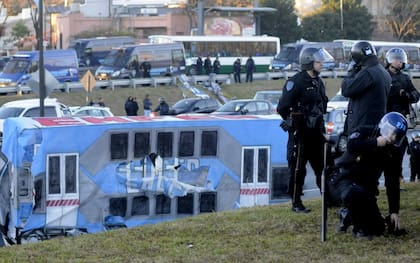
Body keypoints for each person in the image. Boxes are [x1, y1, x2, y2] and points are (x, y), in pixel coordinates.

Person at [328, 112, 408, 238]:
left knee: (378, 228)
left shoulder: (392, 151)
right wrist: (374, 143)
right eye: (392, 133)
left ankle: (348, 215)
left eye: (397, 136)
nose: (393, 138)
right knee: (355, 193)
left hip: (365, 190)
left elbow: (392, 182)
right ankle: (358, 228)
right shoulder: (365, 131)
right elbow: (351, 146)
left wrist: (394, 211)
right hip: (344, 180)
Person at [277, 47, 331, 213]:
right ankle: (296, 202)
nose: (321, 64)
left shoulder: (318, 82)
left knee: (323, 166)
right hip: (300, 134)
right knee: (297, 168)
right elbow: (282, 107)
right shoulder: (296, 82)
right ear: (309, 63)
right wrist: (293, 122)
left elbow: (322, 104)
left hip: (316, 132)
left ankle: (329, 198)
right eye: (318, 61)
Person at [384, 48, 420, 183]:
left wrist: (406, 95)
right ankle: (390, 177)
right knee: (386, 149)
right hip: (386, 119)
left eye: (400, 59)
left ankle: (397, 176)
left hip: (401, 118)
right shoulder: (383, 76)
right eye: (396, 59)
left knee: (400, 148)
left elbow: (416, 95)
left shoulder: (404, 78)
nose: (399, 62)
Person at [341, 41, 391, 135]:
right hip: (377, 124)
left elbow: (346, 90)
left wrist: (351, 72)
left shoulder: (367, 73)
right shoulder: (383, 72)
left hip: (362, 126)